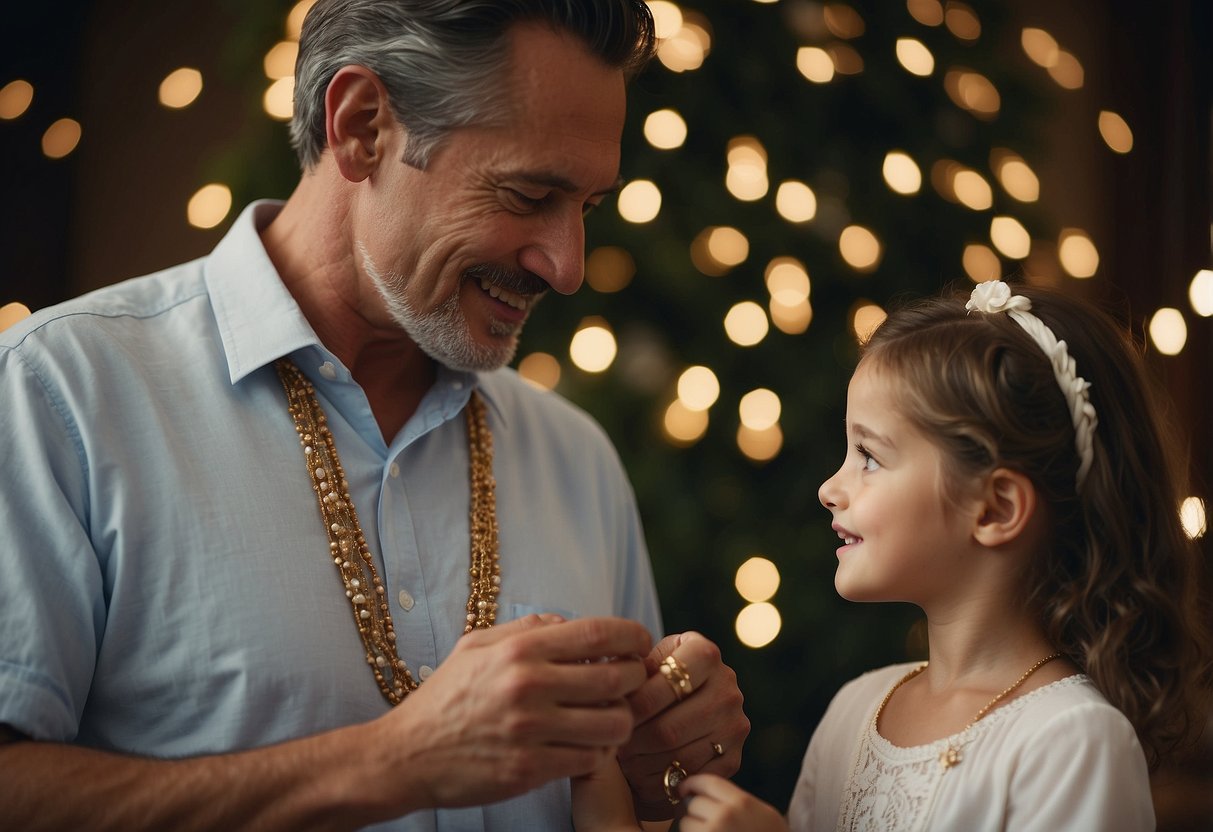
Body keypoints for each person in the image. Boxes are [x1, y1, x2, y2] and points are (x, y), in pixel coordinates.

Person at [0, 2, 749, 829]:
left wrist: (655, 779)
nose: (566, 266)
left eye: (589, 207)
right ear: (360, 127)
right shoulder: (60, 393)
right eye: (530, 193)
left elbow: (621, 806)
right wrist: (393, 763)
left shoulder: (577, 459)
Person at [649, 280, 1210, 829]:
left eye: (868, 456)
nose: (829, 488)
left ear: (994, 508)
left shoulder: (1070, 740)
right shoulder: (855, 711)